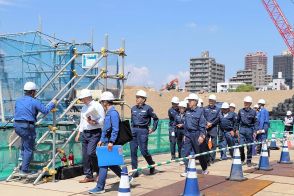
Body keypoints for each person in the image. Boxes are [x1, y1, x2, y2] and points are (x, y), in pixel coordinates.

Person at [88, 91, 133, 194]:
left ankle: (100, 187)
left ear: (106, 102)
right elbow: (105, 129)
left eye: (102, 101)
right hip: (106, 141)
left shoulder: (113, 113)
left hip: (110, 142)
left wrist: (111, 142)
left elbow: (115, 129)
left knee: (103, 164)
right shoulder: (108, 113)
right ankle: (127, 178)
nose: (101, 104)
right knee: (111, 164)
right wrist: (101, 140)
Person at [14, 82, 56, 176]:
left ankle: (22, 166)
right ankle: (24, 170)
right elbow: (45, 110)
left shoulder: (18, 100)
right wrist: (52, 104)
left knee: (24, 146)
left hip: (17, 125)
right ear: (33, 92)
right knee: (29, 149)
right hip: (27, 126)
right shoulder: (34, 101)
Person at [75, 89, 105, 183]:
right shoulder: (84, 108)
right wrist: (79, 133)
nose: (81, 100)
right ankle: (88, 175)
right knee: (85, 155)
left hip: (94, 132)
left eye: (82, 98)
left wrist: (95, 122)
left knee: (91, 152)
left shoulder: (97, 105)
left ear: (87, 97)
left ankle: (99, 172)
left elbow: (102, 119)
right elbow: (82, 121)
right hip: (85, 133)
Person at [130, 90, 159, 178]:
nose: (137, 99)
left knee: (144, 151)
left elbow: (156, 119)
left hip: (143, 131)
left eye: (139, 97)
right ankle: (135, 170)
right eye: (136, 97)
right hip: (134, 130)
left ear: (144, 99)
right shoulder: (133, 108)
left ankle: (152, 164)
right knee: (133, 151)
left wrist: (153, 129)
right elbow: (132, 120)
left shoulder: (148, 108)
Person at [181, 93, 208, 177]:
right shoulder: (187, 111)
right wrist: (185, 135)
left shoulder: (200, 111)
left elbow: (202, 125)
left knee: (199, 153)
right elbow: (186, 124)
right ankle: (186, 170)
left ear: (195, 102)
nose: (188, 102)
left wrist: (202, 135)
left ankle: (204, 168)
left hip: (197, 134)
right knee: (186, 152)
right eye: (188, 101)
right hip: (188, 134)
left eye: (190, 101)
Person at [235, 96, 258, 167]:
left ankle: (249, 160)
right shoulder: (241, 111)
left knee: (249, 146)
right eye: (245, 102)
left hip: (249, 130)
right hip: (242, 129)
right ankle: (242, 159)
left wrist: (255, 131)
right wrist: (236, 129)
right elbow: (237, 121)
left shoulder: (253, 112)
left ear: (250, 103)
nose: (245, 104)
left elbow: (255, 122)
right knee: (241, 145)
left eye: (247, 103)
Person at [203, 94, 220, 164]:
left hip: (213, 128)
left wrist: (211, 124)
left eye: (212, 100)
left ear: (215, 101)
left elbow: (218, 118)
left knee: (213, 144)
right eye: (210, 100)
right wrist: (206, 123)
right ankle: (207, 158)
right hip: (206, 128)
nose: (211, 102)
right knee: (206, 143)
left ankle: (212, 158)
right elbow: (203, 116)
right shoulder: (205, 108)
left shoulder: (218, 109)